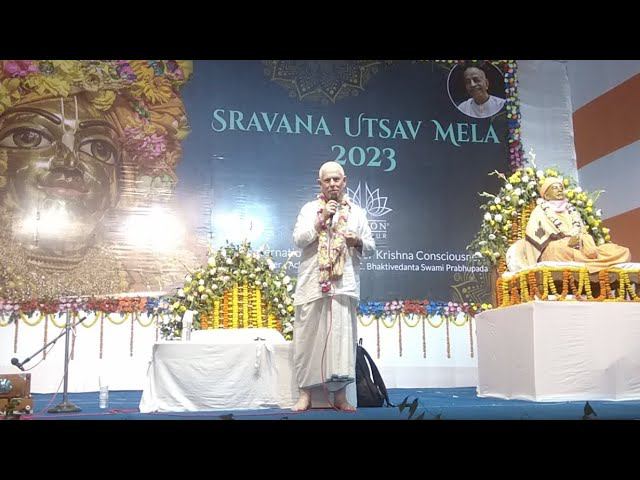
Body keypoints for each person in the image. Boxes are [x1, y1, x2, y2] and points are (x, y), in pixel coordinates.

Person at [0, 60, 197, 300]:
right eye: (29, 138)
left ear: (122, 181)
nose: (69, 162)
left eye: (98, 149)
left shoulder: (161, 278)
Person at [291, 161, 375, 411]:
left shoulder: (357, 213)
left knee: (341, 342)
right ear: (320, 184)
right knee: (307, 340)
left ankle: (340, 396)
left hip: (343, 285)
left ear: (344, 181)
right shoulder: (309, 210)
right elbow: (298, 239)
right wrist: (321, 221)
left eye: (336, 179)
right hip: (313, 285)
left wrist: (357, 240)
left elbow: (371, 247)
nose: (332, 184)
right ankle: (305, 394)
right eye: (327, 180)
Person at [522, 176, 631, 272]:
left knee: (621, 251)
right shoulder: (540, 211)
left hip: (580, 249)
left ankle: (593, 262)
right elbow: (536, 238)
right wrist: (566, 243)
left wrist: (582, 239)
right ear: (546, 196)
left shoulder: (571, 210)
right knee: (555, 250)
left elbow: (583, 233)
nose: (559, 190)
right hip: (561, 251)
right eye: (555, 188)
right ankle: (597, 263)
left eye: (561, 187)